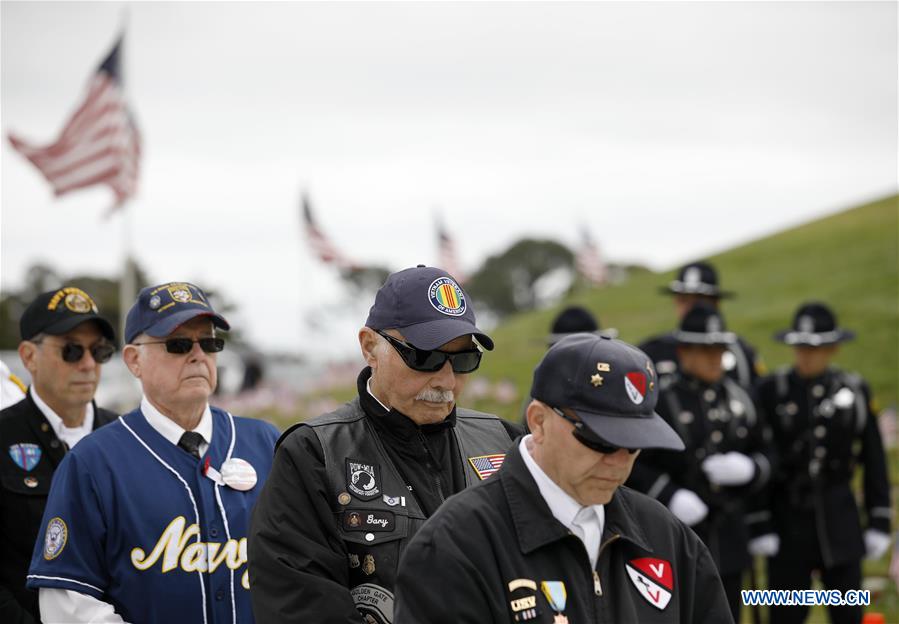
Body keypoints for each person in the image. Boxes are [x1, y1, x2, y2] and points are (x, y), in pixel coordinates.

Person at [393, 333, 733, 623]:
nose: (618, 461)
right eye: (599, 440)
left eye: (634, 444)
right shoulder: (454, 547)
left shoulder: (667, 537)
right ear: (539, 422)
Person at [249, 265, 521, 624]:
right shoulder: (313, 454)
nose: (446, 380)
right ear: (369, 347)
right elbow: (300, 605)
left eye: (463, 359)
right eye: (425, 357)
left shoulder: (506, 441)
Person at [27, 282, 280, 624]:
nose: (198, 355)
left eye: (209, 343)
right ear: (134, 360)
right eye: (178, 344)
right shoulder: (92, 463)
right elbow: (67, 604)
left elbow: (305, 565)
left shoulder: (266, 442)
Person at [627, 303, 774, 622]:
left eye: (719, 349)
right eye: (705, 350)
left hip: (730, 535)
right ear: (684, 352)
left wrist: (751, 469)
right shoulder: (661, 402)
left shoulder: (740, 398)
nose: (715, 358)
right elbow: (632, 463)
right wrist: (669, 494)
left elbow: (767, 450)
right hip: (676, 536)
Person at [756, 302, 891, 624]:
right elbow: (761, 456)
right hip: (788, 525)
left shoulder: (854, 390)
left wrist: (879, 519)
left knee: (848, 614)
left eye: (815, 349)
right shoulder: (772, 391)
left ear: (833, 348)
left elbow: (874, 459)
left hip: (840, 521)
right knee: (784, 615)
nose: (806, 356)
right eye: (801, 347)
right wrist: (758, 522)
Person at [0, 287, 118, 624]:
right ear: (29, 357)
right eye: (71, 350)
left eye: (99, 351)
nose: (88, 364)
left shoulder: (128, 437)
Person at [639, 261, 764, 390]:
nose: (691, 308)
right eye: (684, 300)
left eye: (699, 300)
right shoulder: (651, 352)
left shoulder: (741, 352)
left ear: (716, 303)